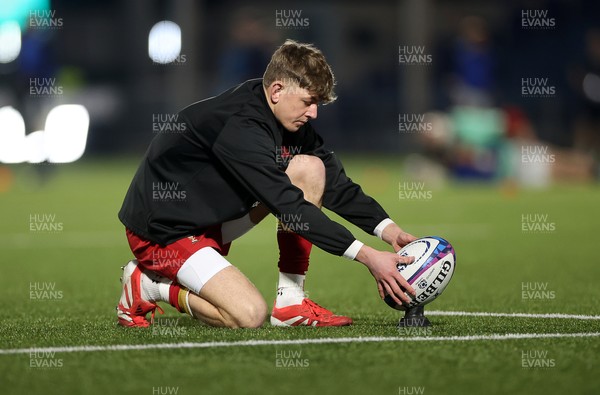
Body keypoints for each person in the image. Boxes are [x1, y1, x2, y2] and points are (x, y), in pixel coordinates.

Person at [116, 39, 417, 328]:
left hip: (212, 216)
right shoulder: (241, 125)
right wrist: (368, 257)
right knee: (248, 315)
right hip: (165, 231)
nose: (313, 112)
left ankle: (291, 304)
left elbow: (334, 181)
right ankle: (149, 285)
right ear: (277, 90)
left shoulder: (285, 118)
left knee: (311, 169)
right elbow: (288, 205)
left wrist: (388, 230)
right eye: (309, 101)